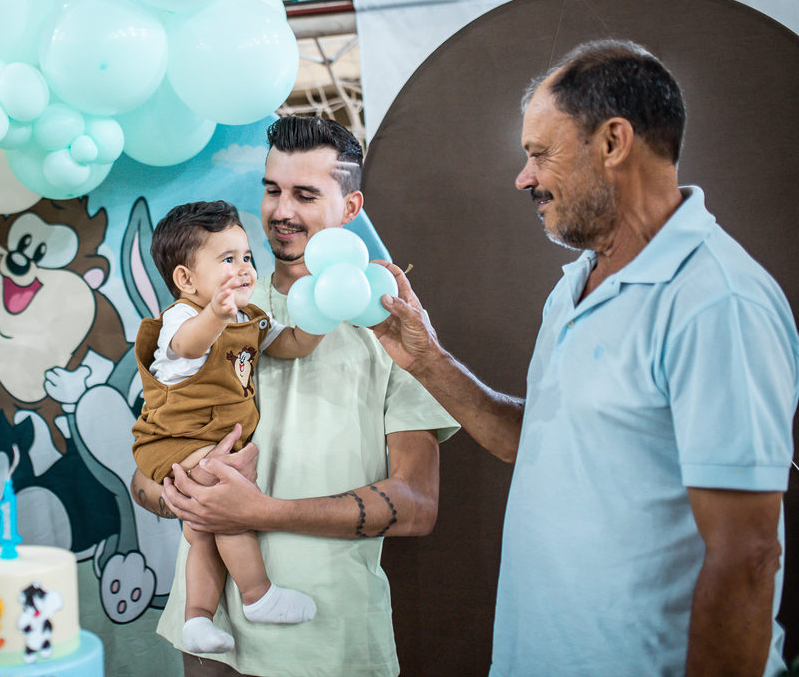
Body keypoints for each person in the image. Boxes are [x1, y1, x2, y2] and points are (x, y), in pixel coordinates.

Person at [371, 40, 798, 677]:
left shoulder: (717, 302)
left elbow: (748, 556)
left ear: (613, 142)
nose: (524, 178)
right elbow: (538, 441)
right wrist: (426, 358)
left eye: (540, 153)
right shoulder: (573, 286)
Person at [131, 116, 459, 677]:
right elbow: (145, 476)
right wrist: (186, 500)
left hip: (328, 641)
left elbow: (417, 505)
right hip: (212, 641)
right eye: (272, 190)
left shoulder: (395, 328)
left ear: (350, 207)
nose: (281, 211)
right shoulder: (214, 308)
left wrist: (261, 513)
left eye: (305, 195)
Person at [132, 200, 324, 655]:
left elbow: (291, 343)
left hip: (209, 441)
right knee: (227, 500)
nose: (243, 269)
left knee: (203, 529)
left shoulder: (248, 316)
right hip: (175, 439)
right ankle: (258, 595)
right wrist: (215, 315)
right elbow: (186, 346)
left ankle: (197, 619)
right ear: (186, 280)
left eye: (246, 257)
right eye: (227, 259)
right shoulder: (183, 317)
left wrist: (320, 316)